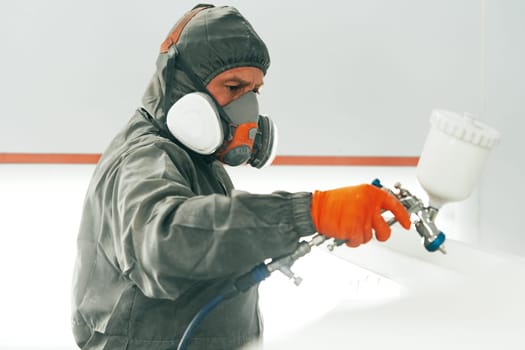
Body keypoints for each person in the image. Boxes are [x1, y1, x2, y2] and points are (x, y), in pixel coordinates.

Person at [71, 4, 411, 350]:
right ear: (182, 87)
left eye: (254, 91)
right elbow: (165, 240)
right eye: (233, 87)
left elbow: (212, 241)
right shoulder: (147, 156)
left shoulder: (198, 160)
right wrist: (307, 212)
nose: (247, 108)